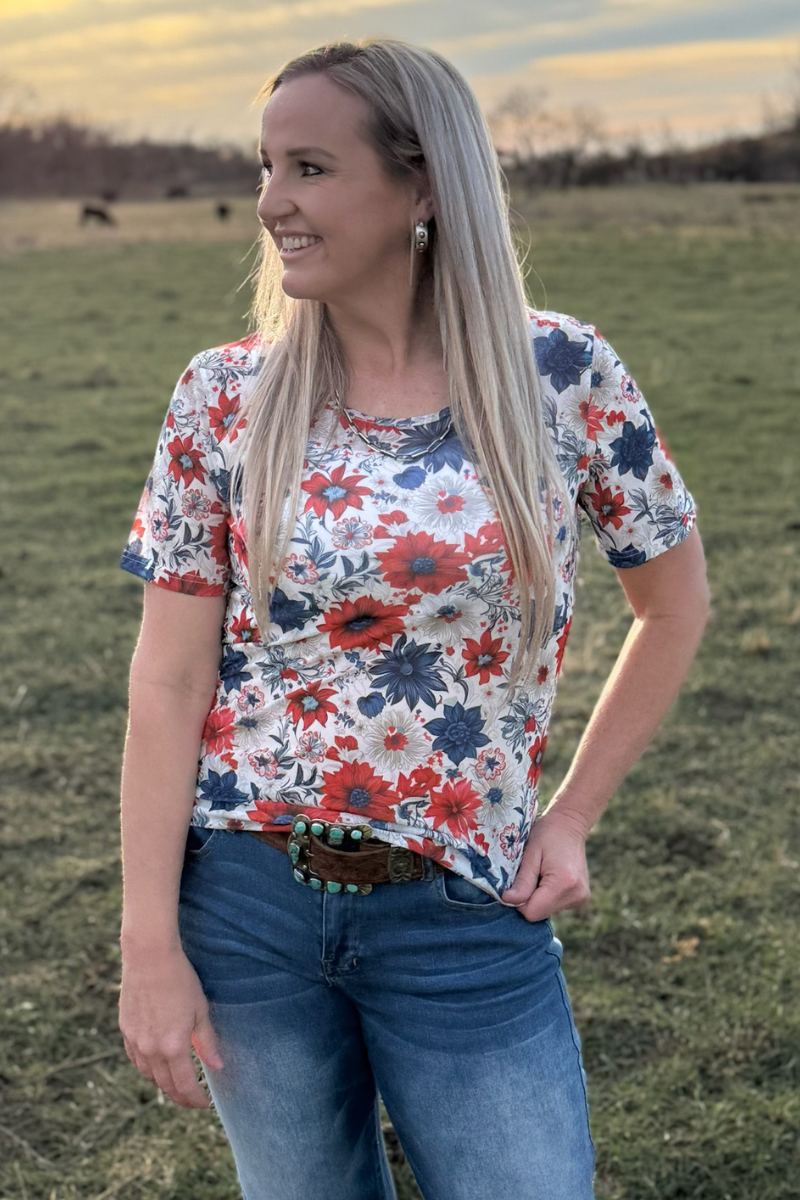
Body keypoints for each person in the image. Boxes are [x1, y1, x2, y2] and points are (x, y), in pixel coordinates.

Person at [117, 37, 710, 1200]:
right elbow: (167, 681)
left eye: (309, 168)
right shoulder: (222, 396)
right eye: (266, 167)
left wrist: (571, 816)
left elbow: (673, 600)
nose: (270, 203)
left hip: (464, 906)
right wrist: (149, 943)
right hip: (244, 904)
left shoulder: (561, 375)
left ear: (423, 184)